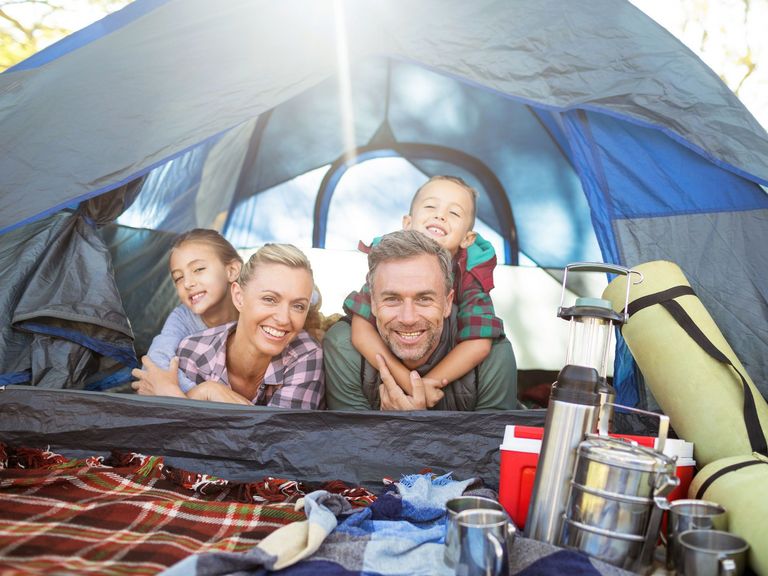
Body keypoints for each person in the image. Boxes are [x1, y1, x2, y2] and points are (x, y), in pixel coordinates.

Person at [343, 175, 505, 405]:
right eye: (430, 206)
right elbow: (361, 330)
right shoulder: (388, 261)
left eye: (454, 213)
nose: (440, 215)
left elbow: (479, 341)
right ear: (407, 223)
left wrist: (433, 383)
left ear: (468, 238)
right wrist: (413, 386)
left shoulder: (472, 271)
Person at [324, 229, 517, 411]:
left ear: (447, 303)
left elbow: (492, 444)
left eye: (424, 299)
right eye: (392, 299)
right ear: (372, 303)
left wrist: (415, 422)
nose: (408, 318)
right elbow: (348, 442)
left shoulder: (492, 356)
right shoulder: (343, 346)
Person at [132, 244, 324, 409]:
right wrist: (207, 392)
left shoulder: (306, 354)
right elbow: (174, 439)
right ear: (239, 298)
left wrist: (180, 398)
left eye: (298, 306)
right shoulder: (193, 351)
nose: (283, 319)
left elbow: (278, 443)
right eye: (269, 299)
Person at [147, 228, 242, 392]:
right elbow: (154, 363)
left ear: (231, 271)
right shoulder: (183, 317)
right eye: (178, 278)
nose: (187, 283)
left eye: (198, 269)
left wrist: (170, 390)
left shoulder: (254, 308)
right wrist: (202, 394)